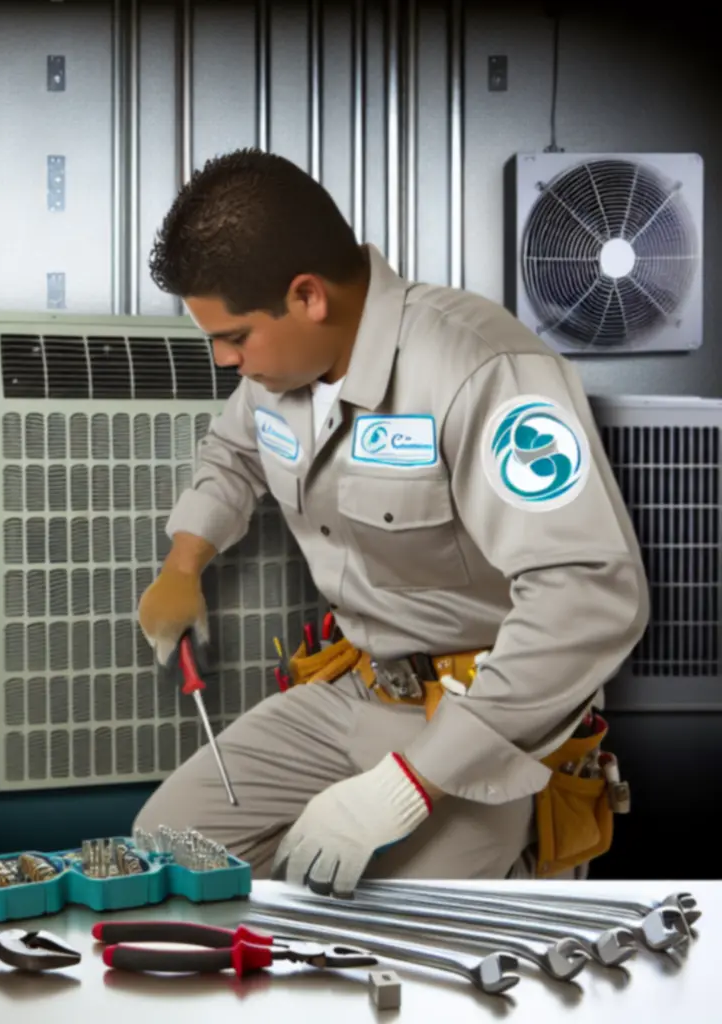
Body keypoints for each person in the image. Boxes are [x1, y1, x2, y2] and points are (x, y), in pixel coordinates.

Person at [131, 147, 649, 897]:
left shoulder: (482, 369)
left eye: (236, 336)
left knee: (392, 927)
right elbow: (233, 454)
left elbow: (591, 596)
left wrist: (408, 784)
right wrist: (184, 563)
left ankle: (517, 870)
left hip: (479, 725)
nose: (223, 361)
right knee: (168, 853)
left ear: (308, 296)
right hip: (357, 687)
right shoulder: (281, 372)